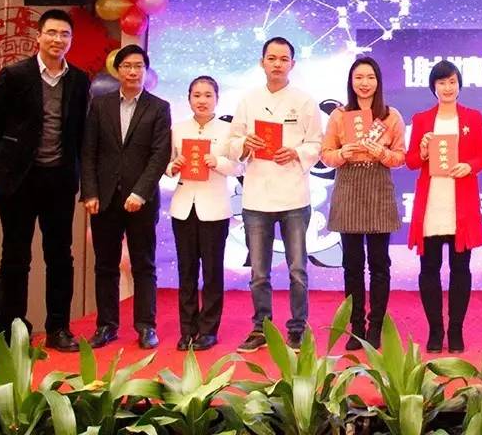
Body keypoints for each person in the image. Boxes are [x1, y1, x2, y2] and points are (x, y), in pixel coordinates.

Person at [0, 9, 89, 351]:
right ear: (39, 36)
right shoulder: (15, 75)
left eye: (65, 34)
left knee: (60, 255)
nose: (58, 39)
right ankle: (13, 330)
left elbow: (80, 131)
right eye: (52, 33)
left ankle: (59, 328)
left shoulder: (79, 80)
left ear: (71, 40)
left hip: (59, 179)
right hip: (18, 181)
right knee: (16, 256)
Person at [228, 37, 322, 353]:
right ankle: (261, 328)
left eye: (284, 59)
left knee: (297, 270)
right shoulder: (248, 100)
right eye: (272, 58)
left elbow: (316, 144)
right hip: (256, 197)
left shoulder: (305, 101)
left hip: (294, 197)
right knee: (259, 272)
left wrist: (295, 152)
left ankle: (297, 329)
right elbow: (232, 143)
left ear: (292, 64)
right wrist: (245, 144)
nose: (277, 64)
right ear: (262, 62)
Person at [81, 44, 172, 349]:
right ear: (117, 70)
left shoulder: (159, 107)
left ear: (146, 71)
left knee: (143, 265)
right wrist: (90, 191)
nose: (133, 72)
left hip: (141, 201)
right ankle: (106, 325)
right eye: (127, 66)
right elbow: (88, 151)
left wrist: (140, 193)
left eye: (139, 66)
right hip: (104, 198)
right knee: (105, 265)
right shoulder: (100, 104)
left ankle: (146, 326)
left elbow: (159, 155)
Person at [320, 56, 406, 351]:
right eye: (359, 77)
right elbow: (325, 155)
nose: (364, 83)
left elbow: (400, 157)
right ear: (351, 82)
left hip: (379, 188)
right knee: (352, 265)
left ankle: (376, 326)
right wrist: (343, 153)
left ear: (378, 82)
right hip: (349, 188)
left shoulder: (391, 116)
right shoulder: (339, 115)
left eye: (370, 77)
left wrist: (381, 153)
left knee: (379, 264)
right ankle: (356, 327)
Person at [404, 60, 482, 353]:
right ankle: (435, 330)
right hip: (432, 204)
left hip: (460, 203)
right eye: (442, 83)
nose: (447, 88)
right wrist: (423, 150)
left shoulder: (472, 117)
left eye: (452, 82)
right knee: (429, 268)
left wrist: (469, 166)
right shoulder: (422, 119)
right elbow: (411, 161)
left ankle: (455, 330)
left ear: (459, 84)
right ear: (433, 87)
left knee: (460, 268)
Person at [166, 75, 241, 351]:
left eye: (208, 95)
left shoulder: (228, 130)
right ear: (188, 99)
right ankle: (187, 330)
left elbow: (239, 166)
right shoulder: (177, 129)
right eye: (196, 95)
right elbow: (166, 164)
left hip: (215, 210)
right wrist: (173, 167)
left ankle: (209, 330)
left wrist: (217, 161)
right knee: (186, 271)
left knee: (212, 272)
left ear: (217, 99)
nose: (202, 100)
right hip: (183, 208)